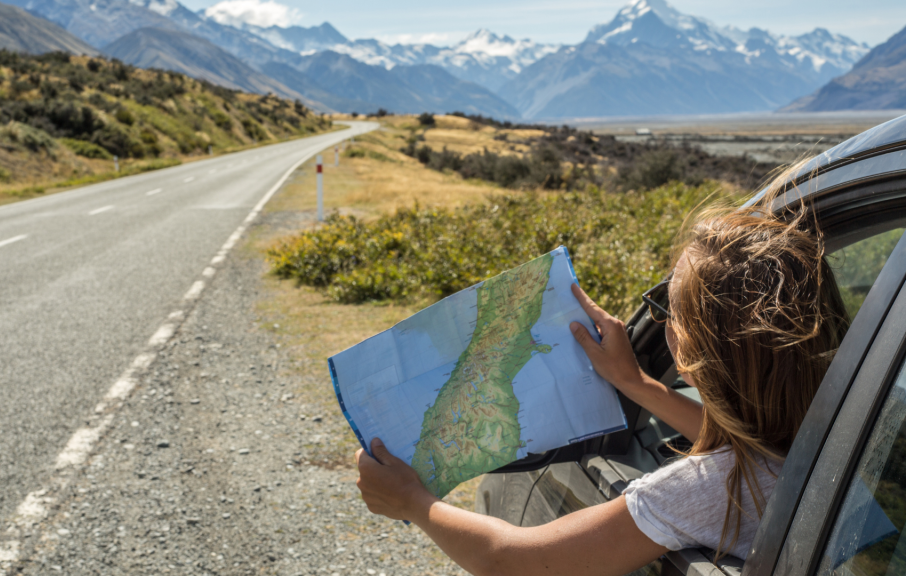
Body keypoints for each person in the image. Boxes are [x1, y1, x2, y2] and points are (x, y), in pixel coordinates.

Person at [353, 192, 850, 576]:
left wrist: (414, 503)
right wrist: (633, 381)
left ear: (691, 353)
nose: (662, 322)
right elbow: (752, 440)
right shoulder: (842, 434)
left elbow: (511, 561)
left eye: (666, 311)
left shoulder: (712, 489)